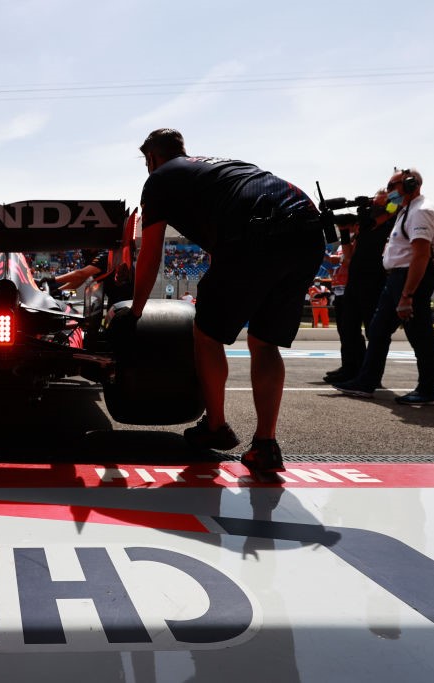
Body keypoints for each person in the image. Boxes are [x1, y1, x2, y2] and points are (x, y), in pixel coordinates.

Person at [128, 128, 324, 473]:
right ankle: (266, 444)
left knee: (207, 335)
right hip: (308, 230)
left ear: (151, 158)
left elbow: (150, 253)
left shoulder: (160, 178)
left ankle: (215, 426)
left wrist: (136, 311)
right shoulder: (220, 166)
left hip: (257, 232)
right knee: (264, 343)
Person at [335, 168, 434, 405]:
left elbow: (420, 256)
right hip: (396, 278)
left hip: (409, 278)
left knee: (420, 335)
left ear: (409, 184)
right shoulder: (406, 210)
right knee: (377, 330)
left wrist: (407, 295)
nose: (388, 191)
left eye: (392, 186)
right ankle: (365, 383)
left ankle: (428, 390)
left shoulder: (421, 211)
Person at [323, 190, 397, 384]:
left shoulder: (388, 218)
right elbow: (348, 258)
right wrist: (344, 230)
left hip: (373, 281)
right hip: (354, 282)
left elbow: (390, 210)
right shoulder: (365, 227)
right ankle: (351, 368)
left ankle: (368, 374)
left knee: (372, 331)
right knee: (347, 328)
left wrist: (380, 203)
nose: (372, 202)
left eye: (376, 200)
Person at [41, 249, 133, 305]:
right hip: (114, 296)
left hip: (124, 297)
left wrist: (52, 280)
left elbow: (80, 274)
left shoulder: (104, 255)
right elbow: (80, 279)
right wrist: (59, 291)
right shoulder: (90, 256)